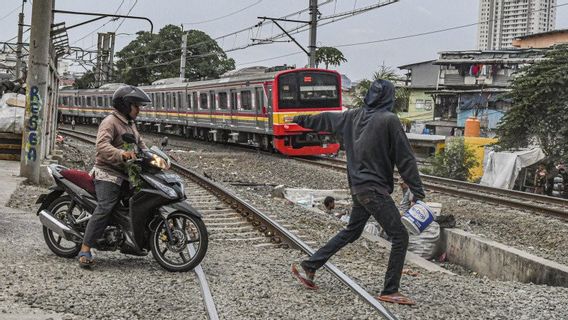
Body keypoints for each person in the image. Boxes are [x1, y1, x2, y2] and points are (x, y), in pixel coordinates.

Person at [290, 79, 425, 305]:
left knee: (352, 231)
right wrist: (418, 191)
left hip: (358, 188)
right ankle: (390, 290)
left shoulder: (352, 116)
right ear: (389, 98)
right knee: (400, 236)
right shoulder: (389, 120)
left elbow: (324, 119)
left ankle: (310, 265)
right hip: (374, 190)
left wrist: (298, 119)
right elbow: (405, 159)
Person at [78, 85, 151, 268]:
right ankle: (85, 250)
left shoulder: (130, 124)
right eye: (136, 106)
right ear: (126, 105)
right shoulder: (110, 122)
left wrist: (154, 157)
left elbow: (141, 145)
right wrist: (122, 154)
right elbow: (102, 146)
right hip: (107, 173)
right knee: (105, 207)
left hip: (125, 174)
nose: (139, 110)